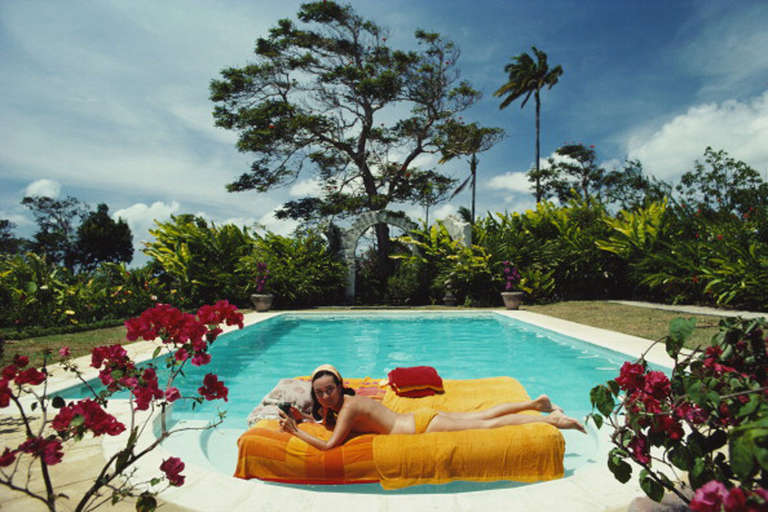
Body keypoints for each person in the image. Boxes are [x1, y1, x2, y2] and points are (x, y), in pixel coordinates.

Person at [278, 364, 586, 451]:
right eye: (318, 394)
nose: (324, 398)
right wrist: (304, 418)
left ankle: (553, 421)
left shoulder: (346, 409)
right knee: (480, 415)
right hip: (418, 418)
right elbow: (325, 422)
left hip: (420, 427)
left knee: (485, 425)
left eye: (329, 390)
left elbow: (330, 446)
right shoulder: (342, 404)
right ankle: (537, 403)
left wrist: (294, 432)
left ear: (339, 385)